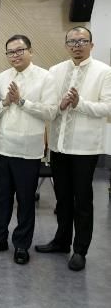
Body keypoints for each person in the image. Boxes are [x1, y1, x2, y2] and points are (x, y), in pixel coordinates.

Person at [35, 26, 111, 271]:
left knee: (82, 201)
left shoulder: (104, 72)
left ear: (91, 44)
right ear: (66, 45)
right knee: (63, 198)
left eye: (82, 41)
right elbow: (49, 106)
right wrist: (61, 104)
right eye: (72, 41)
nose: (77, 45)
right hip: (59, 145)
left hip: (85, 148)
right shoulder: (55, 71)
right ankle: (61, 241)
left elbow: (107, 107)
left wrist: (80, 103)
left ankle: (80, 250)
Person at [0, 35, 58, 264]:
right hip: (4, 147)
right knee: (2, 199)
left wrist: (22, 102)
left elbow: (51, 112)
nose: (15, 55)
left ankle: (22, 245)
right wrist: (5, 103)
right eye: (10, 52)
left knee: (25, 201)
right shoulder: (2, 77)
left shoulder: (45, 77)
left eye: (19, 50)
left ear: (30, 51)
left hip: (28, 150)